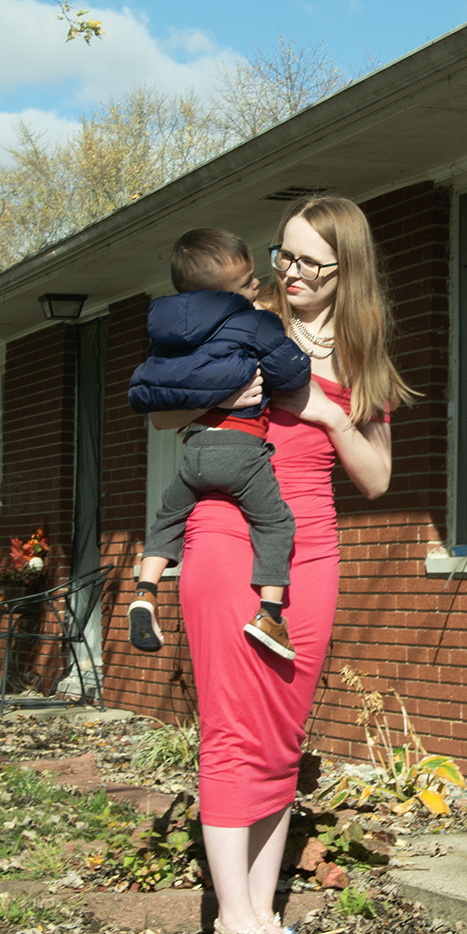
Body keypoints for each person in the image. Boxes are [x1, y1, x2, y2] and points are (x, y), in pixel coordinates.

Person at [149, 196, 413, 934]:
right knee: (233, 729)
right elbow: (165, 413)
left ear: (347, 270)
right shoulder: (247, 325)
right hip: (228, 536)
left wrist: (328, 416)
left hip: (314, 552)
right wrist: (231, 391)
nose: (290, 274)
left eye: (310, 263)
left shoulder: (363, 359)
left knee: (280, 739)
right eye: (283, 257)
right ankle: (233, 921)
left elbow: (377, 476)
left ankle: (261, 917)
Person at [127, 228, 310, 660]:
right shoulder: (252, 321)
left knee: (167, 519)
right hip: (242, 451)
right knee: (275, 524)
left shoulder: (168, 334)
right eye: (248, 281)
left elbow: (163, 387)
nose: (256, 286)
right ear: (225, 293)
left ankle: (146, 590)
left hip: (194, 453)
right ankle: (269, 613)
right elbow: (289, 374)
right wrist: (290, 348)